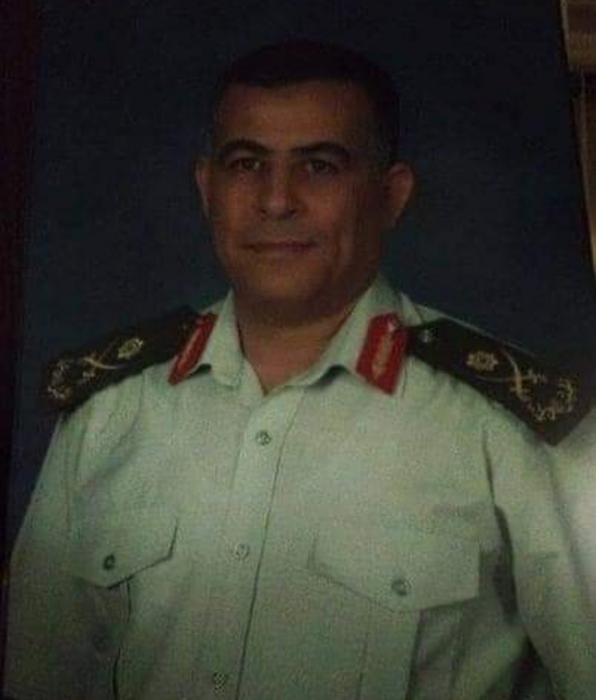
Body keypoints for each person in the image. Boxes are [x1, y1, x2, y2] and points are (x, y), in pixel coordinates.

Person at [4, 39, 595, 700]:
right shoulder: (106, 414)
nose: (276, 200)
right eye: (246, 164)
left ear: (391, 196)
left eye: (319, 166)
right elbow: (38, 679)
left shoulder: (514, 426)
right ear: (207, 188)